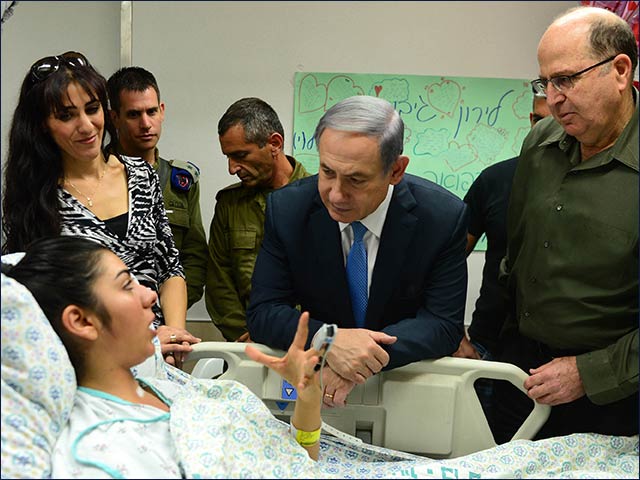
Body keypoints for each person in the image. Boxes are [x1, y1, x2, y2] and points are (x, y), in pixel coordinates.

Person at [1, 236, 326, 477]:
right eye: (127, 285)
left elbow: (298, 465)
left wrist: (308, 397)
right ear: (83, 321)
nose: (150, 294)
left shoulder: (167, 386)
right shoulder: (105, 450)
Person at [246, 95, 469, 408]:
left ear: (396, 171)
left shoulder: (442, 218)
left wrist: (359, 359)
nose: (336, 194)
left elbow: (442, 323)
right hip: (319, 394)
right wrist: (329, 341)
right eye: (327, 172)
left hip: (407, 391)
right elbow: (264, 311)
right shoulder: (288, 210)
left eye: (356, 179)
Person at [494, 6, 638, 443]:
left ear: (619, 70)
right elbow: (515, 255)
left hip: (616, 394)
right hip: (521, 375)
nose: (553, 98)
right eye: (545, 82)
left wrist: (588, 373)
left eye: (567, 79)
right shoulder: (540, 142)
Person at [1, 51, 197, 365]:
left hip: (163, 359)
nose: (86, 125)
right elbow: (48, 307)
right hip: (94, 364)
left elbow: (170, 267)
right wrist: (144, 343)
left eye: (92, 109)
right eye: (66, 116)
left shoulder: (142, 176)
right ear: (42, 126)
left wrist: (173, 335)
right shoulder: (39, 201)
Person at [452, 90, 551, 420]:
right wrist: (453, 333)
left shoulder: (605, 185)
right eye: (539, 120)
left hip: (554, 357)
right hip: (486, 345)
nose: (546, 130)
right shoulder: (495, 180)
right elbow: (445, 261)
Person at [205, 97, 310, 342]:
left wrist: (281, 334)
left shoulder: (319, 200)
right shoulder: (230, 204)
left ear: (274, 143)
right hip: (246, 347)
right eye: (228, 157)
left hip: (305, 346)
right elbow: (220, 285)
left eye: (240, 155)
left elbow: (331, 287)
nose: (232, 168)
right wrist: (250, 336)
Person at [107, 67, 208, 309]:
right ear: (114, 118)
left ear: (161, 111)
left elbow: (194, 258)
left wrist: (170, 306)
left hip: (168, 313)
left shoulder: (181, 181)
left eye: (151, 112)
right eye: (133, 114)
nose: (145, 124)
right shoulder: (96, 177)